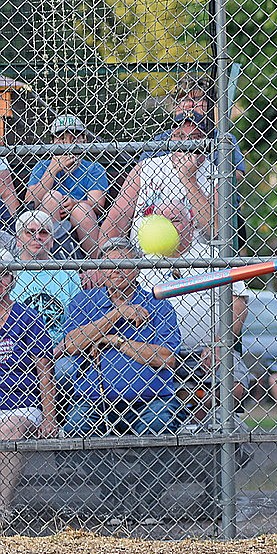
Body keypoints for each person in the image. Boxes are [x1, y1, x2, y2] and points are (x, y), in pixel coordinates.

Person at [62, 237, 181, 525]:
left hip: (150, 398)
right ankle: (116, 499)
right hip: (95, 399)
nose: (117, 270)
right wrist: (116, 315)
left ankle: (146, 502)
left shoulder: (157, 302)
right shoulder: (84, 302)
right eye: (110, 265)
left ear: (137, 269)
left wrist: (114, 341)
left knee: (159, 423)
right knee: (74, 429)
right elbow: (70, 345)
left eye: (124, 264)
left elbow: (166, 357)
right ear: (101, 269)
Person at [136, 200, 251, 409]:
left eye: (176, 220)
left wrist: (219, 343)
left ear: (191, 224)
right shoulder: (144, 263)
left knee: (235, 384)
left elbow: (238, 303)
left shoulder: (212, 256)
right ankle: (190, 404)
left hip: (207, 349)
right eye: (163, 221)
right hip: (159, 350)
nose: (169, 227)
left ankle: (192, 404)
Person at [0, 248, 56, 530]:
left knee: (11, 428)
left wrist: (49, 416)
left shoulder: (27, 317)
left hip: (20, 405)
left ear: (12, 280)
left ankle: (1, 509)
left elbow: (44, 369)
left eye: (3, 275)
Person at [101, 110, 218, 245]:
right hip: (143, 258)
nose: (186, 143)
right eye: (179, 136)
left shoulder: (215, 174)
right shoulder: (146, 167)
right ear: (170, 138)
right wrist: (103, 258)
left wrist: (188, 179)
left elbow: (215, 230)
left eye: (195, 137)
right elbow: (116, 220)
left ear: (206, 141)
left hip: (193, 259)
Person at [9, 210, 83, 400]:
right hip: (16, 351)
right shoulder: (8, 275)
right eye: (30, 232)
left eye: (43, 232)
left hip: (59, 351)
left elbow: (77, 320)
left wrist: (61, 347)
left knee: (65, 371)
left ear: (51, 240)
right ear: (18, 240)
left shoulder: (67, 273)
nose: (37, 237)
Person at [138, 74, 247, 181]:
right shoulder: (161, 139)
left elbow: (237, 174)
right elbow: (141, 171)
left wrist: (202, 171)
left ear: (209, 104)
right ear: (175, 107)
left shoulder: (221, 138)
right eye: (183, 99)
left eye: (197, 99)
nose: (189, 104)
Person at [25, 115, 108, 256]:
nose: (68, 144)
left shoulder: (94, 168)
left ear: (84, 140)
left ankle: (96, 265)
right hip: (50, 218)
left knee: (81, 209)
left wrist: (74, 203)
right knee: (53, 196)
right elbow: (30, 201)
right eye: (61, 139)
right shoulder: (43, 166)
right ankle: (47, 258)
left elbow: (98, 204)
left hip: (81, 220)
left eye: (74, 138)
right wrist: (53, 169)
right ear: (52, 142)